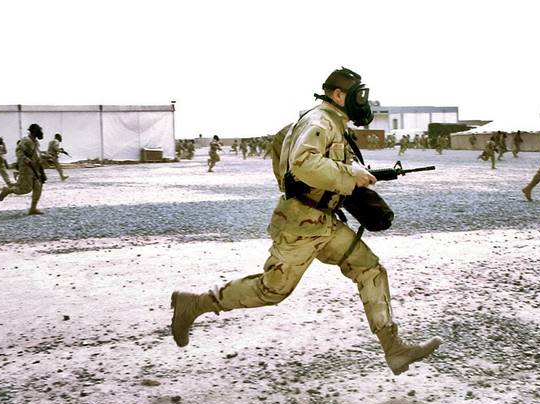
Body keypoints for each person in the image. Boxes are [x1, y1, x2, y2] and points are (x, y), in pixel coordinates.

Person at [169, 67, 441, 375]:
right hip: (300, 225)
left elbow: (320, 162)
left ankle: (394, 349)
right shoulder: (319, 121)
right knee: (271, 290)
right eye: (358, 95)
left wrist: (357, 175)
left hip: (322, 221)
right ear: (338, 95)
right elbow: (303, 164)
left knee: (369, 268)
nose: (363, 102)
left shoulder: (332, 123)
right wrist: (350, 174)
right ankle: (195, 304)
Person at [0, 123, 46, 215]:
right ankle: (8, 190)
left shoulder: (35, 142)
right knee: (25, 189)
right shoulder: (26, 140)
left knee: (38, 188)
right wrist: (25, 159)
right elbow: (18, 151)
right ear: (33, 131)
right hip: (26, 168)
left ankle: (33, 209)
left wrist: (44, 157)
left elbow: (36, 154)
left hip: (34, 168)